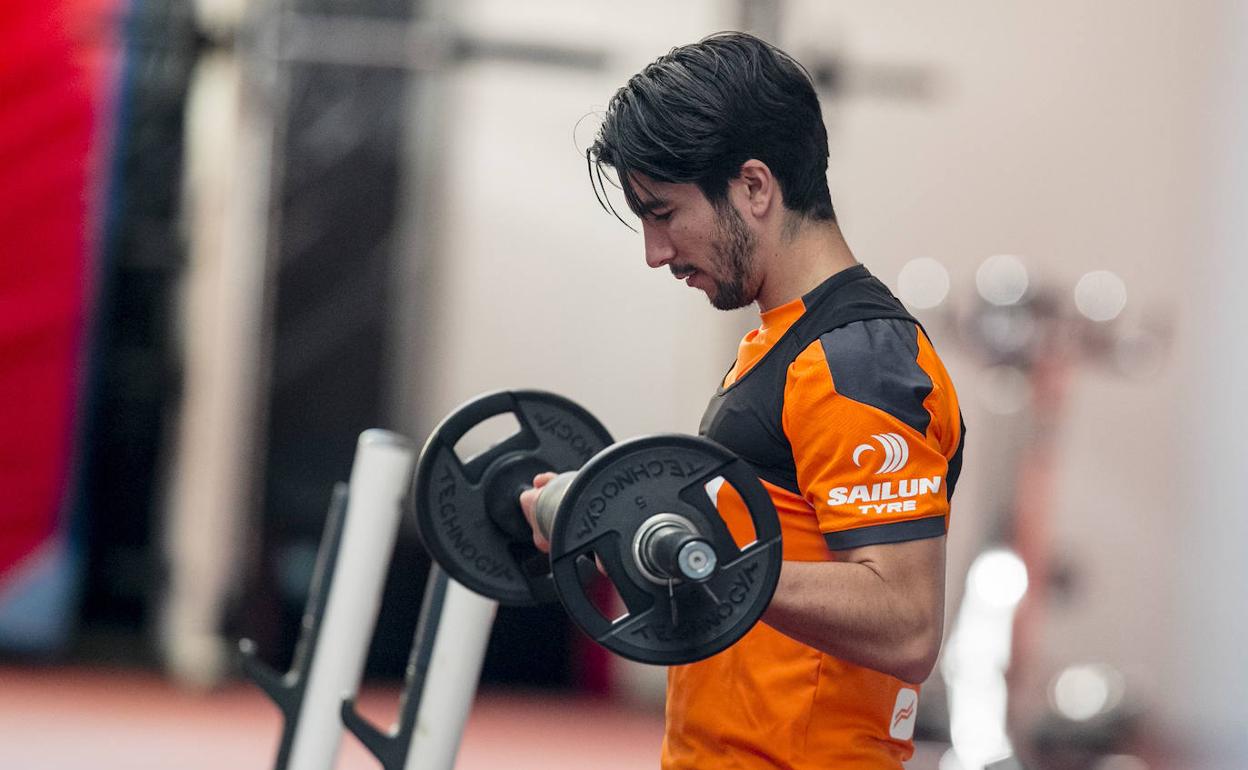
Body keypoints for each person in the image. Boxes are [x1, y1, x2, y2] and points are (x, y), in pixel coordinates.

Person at [521, 31, 965, 769]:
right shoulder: (782, 343)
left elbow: (907, 624)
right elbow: (757, 553)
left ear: (754, 187)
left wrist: (688, 553)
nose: (654, 252)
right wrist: (611, 519)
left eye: (663, 213)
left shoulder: (857, 360)